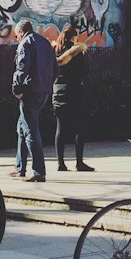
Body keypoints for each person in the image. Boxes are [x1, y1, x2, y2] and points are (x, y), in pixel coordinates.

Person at [10, 19, 56, 182]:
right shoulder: (45, 43)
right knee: (21, 127)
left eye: (16, 36)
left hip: (30, 91)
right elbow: (54, 68)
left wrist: (17, 89)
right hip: (44, 90)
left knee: (30, 130)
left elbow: (22, 68)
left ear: (21, 32)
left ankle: (38, 171)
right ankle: (20, 167)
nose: (16, 39)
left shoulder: (25, 43)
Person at [52, 25, 93, 172]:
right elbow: (85, 71)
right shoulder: (76, 52)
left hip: (58, 92)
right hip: (74, 93)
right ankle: (79, 162)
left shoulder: (55, 50)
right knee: (79, 128)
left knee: (60, 129)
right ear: (74, 38)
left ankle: (60, 163)